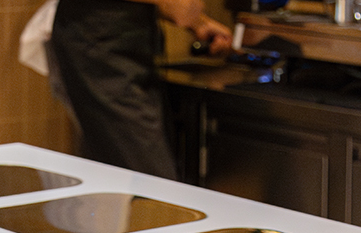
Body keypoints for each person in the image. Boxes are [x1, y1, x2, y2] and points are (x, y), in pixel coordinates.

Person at [50, 0, 232, 180]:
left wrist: (198, 22)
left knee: (125, 172)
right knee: (150, 180)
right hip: (100, 44)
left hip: (125, 39)